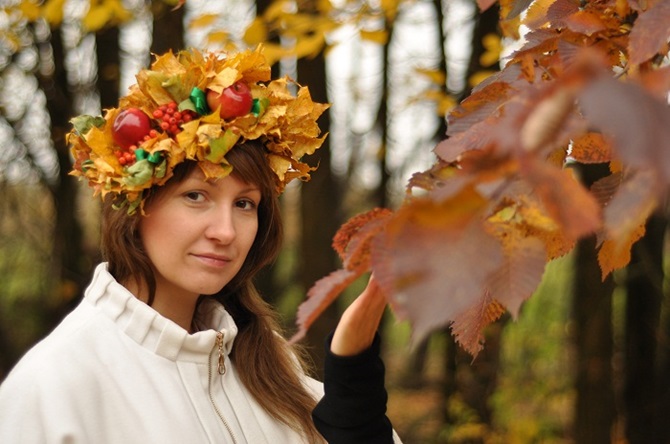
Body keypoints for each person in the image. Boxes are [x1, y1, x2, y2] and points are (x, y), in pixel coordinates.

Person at [0, 47, 399, 443]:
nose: (225, 231)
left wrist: (355, 406)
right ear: (137, 203)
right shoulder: (54, 388)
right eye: (196, 196)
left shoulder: (273, 369)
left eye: (244, 204)